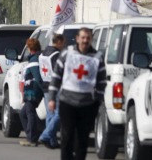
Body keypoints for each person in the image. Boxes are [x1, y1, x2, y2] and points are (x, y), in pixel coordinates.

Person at [48, 28, 106, 160]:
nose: (85, 40)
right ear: (78, 38)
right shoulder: (67, 54)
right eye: (83, 37)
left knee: (82, 139)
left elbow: (102, 82)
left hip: (88, 104)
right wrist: (51, 98)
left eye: (88, 38)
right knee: (67, 136)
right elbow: (56, 76)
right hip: (67, 102)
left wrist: (98, 100)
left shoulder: (97, 57)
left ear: (91, 39)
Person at [39, 34, 67, 149]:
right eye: (63, 43)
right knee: (60, 113)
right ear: (59, 42)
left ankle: (52, 141)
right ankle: (46, 136)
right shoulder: (56, 55)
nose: (64, 45)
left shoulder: (42, 54)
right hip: (55, 87)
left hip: (45, 86)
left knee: (50, 114)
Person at [19, 38, 44, 147]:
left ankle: (32, 139)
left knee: (29, 113)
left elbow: (38, 79)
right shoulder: (35, 59)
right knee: (23, 114)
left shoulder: (34, 61)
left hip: (32, 93)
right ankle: (33, 135)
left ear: (30, 48)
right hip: (30, 92)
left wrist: (45, 91)